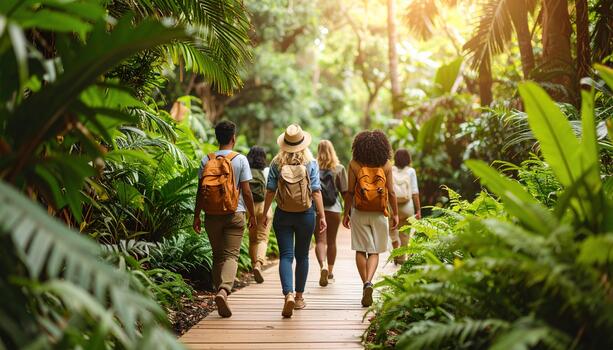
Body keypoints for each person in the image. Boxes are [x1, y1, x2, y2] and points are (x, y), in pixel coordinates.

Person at [262, 124, 327, 318]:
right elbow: (316, 192)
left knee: (286, 256)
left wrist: (265, 213)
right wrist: (322, 216)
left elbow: (271, 191)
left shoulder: (276, 162)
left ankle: (287, 294)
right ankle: (299, 298)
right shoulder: (310, 162)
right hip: (306, 214)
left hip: (283, 213)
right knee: (302, 257)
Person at [193, 120, 257, 318]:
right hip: (235, 214)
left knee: (218, 256)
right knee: (231, 256)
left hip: (211, 215)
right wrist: (252, 214)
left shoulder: (207, 159)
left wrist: (196, 215)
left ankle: (218, 292)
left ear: (217, 138)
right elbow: (246, 191)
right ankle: (224, 290)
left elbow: (199, 191)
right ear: (233, 138)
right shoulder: (240, 160)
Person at [342, 130, 399, 307]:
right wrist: (395, 213)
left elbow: (350, 192)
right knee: (374, 251)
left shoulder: (354, 164)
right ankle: (369, 281)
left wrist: (346, 214)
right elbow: (391, 192)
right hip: (380, 212)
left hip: (359, 212)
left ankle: (365, 284)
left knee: (360, 249)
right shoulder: (387, 165)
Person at [315, 140, 348, 287]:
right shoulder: (339, 169)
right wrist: (349, 213)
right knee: (332, 241)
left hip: (317, 209)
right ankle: (330, 271)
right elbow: (346, 193)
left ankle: (322, 265)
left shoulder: (312, 167)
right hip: (334, 209)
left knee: (320, 241)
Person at [246, 146, 273, 283]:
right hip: (264, 208)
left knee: (252, 239)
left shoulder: (246, 171)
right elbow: (271, 191)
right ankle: (259, 264)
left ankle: (253, 266)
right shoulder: (267, 171)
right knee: (262, 238)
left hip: (248, 208)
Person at [390, 148, 421, 265]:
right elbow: (415, 192)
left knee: (393, 231)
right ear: (408, 159)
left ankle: (395, 250)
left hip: (393, 207)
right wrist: (418, 210)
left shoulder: (391, 170)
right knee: (405, 234)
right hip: (407, 206)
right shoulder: (411, 171)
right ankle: (402, 259)